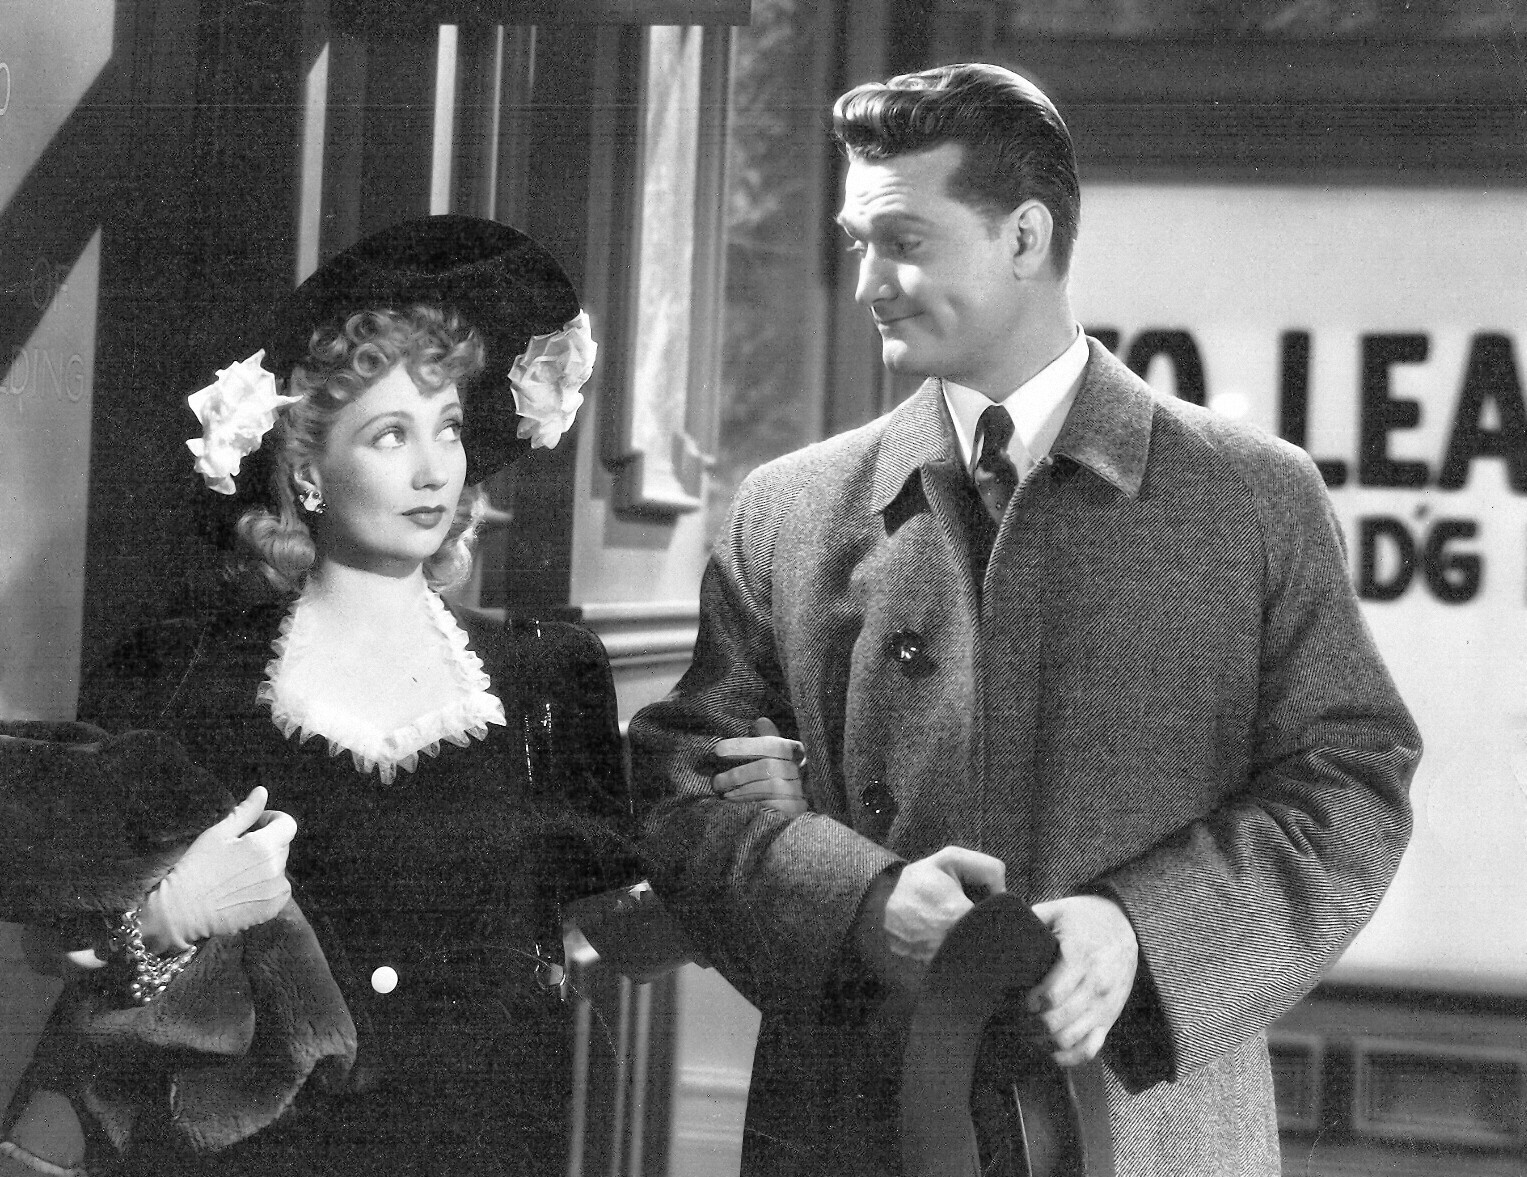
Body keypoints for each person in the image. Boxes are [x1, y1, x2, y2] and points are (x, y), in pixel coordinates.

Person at [630, 64, 1420, 1177]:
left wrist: (1139, 933)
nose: (868, 283)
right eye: (858, 243)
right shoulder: (788, 508)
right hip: (853, 1124)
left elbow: (1350, 781)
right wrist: (862, 901)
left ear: (1025, 237)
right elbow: (685, 791)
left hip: (1146, 1128)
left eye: (903, 241)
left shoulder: (1251, 496)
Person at [0, 214, 768, 1177]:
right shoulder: (183, 670)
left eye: (448, 428)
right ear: (308, 469)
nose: (433, 467)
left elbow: (617, 937)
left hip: (480, 1145)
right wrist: (175, 913)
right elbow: (58, 948)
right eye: (390, 434)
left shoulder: (547, 674)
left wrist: (734, 844)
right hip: (242, 1155)